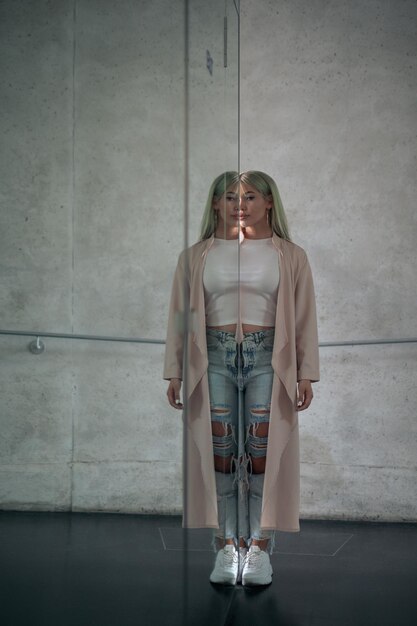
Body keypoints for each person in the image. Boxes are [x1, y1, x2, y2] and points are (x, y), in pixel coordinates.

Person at [163, 171, 319, 586]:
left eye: (250, 196)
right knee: (222, 455)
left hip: (269, 357)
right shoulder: (196, 256)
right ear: (215, 204)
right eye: (230, 196)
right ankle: (227, 546)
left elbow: (303, 319)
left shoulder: (290, 255)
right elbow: (184, 317)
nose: (239, 204)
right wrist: (175, 370)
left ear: (269, 203)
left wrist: (306, 372)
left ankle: (260, 552)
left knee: (262, 455)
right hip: (211, 357)